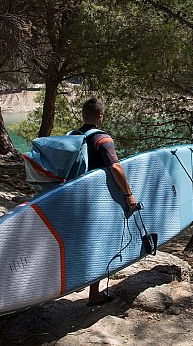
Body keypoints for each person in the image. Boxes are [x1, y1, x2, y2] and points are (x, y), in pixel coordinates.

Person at [73, 97, 137, 306]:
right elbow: (115, 168)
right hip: (95, 202)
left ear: (83, 116)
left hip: (72, 199)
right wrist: (128, 194)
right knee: (100, 245)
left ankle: (77, 279)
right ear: (100, 118)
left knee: (78, 242)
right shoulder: (102, 139)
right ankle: (94, 293)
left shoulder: (72, 136)